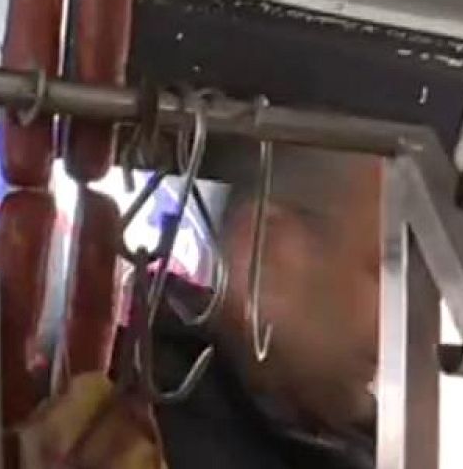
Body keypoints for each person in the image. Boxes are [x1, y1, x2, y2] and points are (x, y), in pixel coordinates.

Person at [145, 141, 381, 469]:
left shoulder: (336, 432)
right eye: (383, 270)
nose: (416, 329)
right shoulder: (140, 435)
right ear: (270, 250)